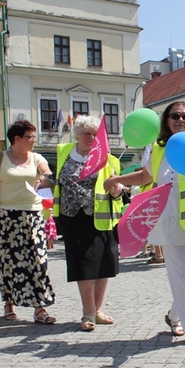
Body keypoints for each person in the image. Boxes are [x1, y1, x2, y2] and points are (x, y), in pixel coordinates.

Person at [104, 102, 185, 346]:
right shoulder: (159, 150)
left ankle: (174, 316)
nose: (181, 119)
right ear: (166, 121)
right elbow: (144, 176)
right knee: (184, 275)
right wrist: (117, 178)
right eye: (175, 116)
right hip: (170, 220)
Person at [0, 120, 57, 324]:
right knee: (8, 262)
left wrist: (45, 179)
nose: (33, 140)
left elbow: (47, 172)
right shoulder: (0, 157)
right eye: (29, 137)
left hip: (33, 215)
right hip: (6, 216)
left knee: (38, 261)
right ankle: (9, 302)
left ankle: (40, 308)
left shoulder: (36, 157)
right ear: (16, 139)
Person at [53, 115, 124, 331]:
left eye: (95, 134)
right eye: (87, 133)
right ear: (78, 134)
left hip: (101, 218)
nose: (91, 138)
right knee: (83, 266)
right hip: (73, 218)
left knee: (103, 265)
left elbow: (118, 190)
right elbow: (58, 180)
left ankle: (98, 309)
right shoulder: (64, 151)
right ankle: (88, 313)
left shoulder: (109, 159)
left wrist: (117, 190)